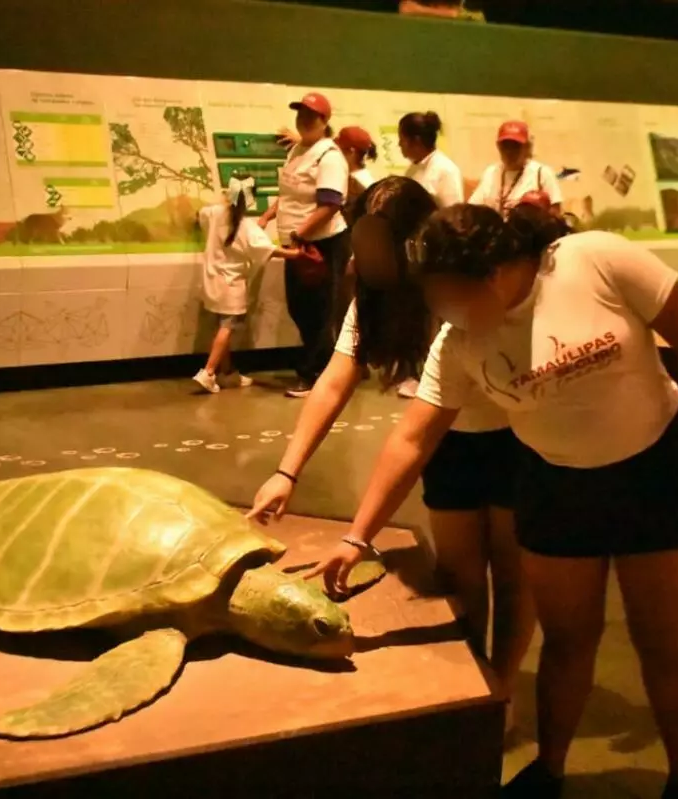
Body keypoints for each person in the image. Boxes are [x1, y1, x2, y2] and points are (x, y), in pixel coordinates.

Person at [308, 202, 678, 799]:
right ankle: (549, 771)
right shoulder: (459, 342)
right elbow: (413, 438)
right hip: (556, 486)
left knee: (666, 646)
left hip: (654, 473)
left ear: (492, 275)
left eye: (449, 295)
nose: (443, 312)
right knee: (566, 643)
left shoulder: (593, 260)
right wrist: (358, 536)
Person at [248, 176, 534, 727]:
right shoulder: (374, 298)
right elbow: (336, 380)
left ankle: (502, 685)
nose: (363, 256)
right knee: (461, 576)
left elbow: (411, 434)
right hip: (449, 443)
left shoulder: (453, 288)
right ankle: (476, 691)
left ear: (414, 243)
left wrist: (358, 536)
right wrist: (287, 471)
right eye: (360, 240)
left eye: (378, 244)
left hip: (514, 438)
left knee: (514, 576)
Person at [259, 92, 351, 399]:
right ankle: (324, 366)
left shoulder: (330, 157)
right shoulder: (298, 150)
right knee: (298, 306)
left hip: (322, 244)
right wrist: (268, 216)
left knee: (318, 310)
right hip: (298, 243)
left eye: (311, 116)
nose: (304, 121)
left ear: (325, 121)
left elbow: (330, 204)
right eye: (301, 115)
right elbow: (290, 194)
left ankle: (314, 373)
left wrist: (301, 233)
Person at [193, 175, 300, 394]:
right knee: (227, 327)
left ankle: (227, 373)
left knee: (220, 326)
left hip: (211, 280)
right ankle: (208, 372)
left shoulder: (214, 213)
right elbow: (268, 249)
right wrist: (296, 254)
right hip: (230, 284)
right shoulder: (246, 226)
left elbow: (200, 215)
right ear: (251, 199)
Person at [395, 111, 463, 398]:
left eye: (402, 139)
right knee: (415, 315)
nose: (399, 145)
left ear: (416, 140)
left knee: (435, 316)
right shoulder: (413, 170)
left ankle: (433, 374)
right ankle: (415, 371)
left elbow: (453, 214)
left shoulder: (444, 170)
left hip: (435, 253)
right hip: (414, 252)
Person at [469, 120, 563, 217]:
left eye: (515, 146)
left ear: (527, 147)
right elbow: (472, 208)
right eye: (505, 146)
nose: (509, 152)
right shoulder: (491, 172)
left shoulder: (542, 173)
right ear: (498, 147)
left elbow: (555, 214)